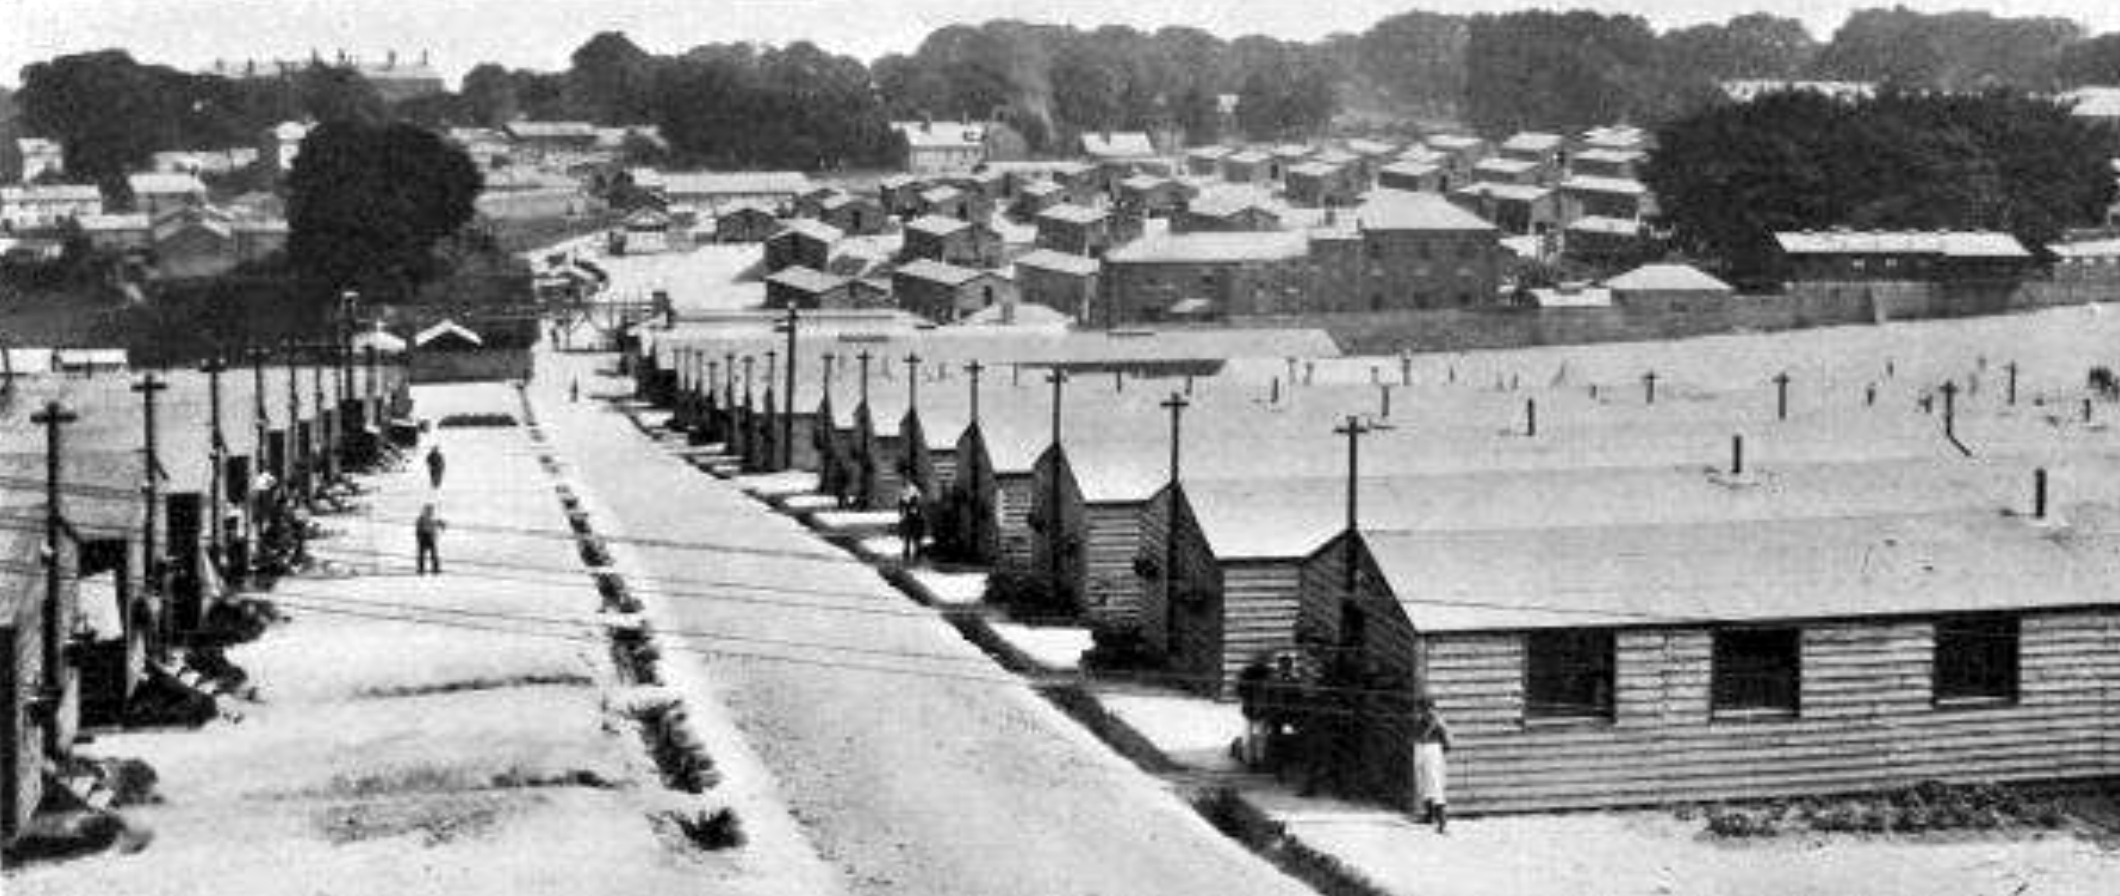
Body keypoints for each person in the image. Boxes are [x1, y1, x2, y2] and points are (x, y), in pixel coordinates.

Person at [1412, 696, 1453, 833]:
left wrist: (1445, 748)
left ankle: (1442, 821)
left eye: (1425, 707)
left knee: (1434, 782)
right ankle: (1429, 816)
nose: (1423, 710)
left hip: (1432, 749)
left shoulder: (1437, 719)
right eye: (1422, 708)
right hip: (1421, 748)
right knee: (1422, 781)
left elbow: (1447, 737)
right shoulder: (1421, 718)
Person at [1234, 656, 1273, 769]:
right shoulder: (1247, 673)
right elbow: (1240, 689)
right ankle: (1250, 760)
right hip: (1250, 706)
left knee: (1261, 735)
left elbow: (1271, 690)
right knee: (1250, 735)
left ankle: (1259, 759)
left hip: (1262, 707)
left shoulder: (1268, 673)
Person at [897, 482, 926, 562]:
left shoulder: (916, 495)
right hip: (908, 518)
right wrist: (902, 513)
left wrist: (915, 509)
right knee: (908, 536)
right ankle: (908, 552)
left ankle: (916, 552)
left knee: (915, 536)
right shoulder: (904, 494)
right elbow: (901, 505)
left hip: (915, 519)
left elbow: (918, 505)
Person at [415, 504, 445, 575]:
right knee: (422, 555)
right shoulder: (421, 519)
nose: (430, 512)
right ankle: (421, 569)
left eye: (431, 511)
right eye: (428, 510)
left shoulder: (433, 518)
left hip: (431, 537)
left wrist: (442, 525)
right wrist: (419, 538)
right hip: (424, 537)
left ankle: (435, 569)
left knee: (433, 554)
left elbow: (438, 523)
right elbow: (418, 529)